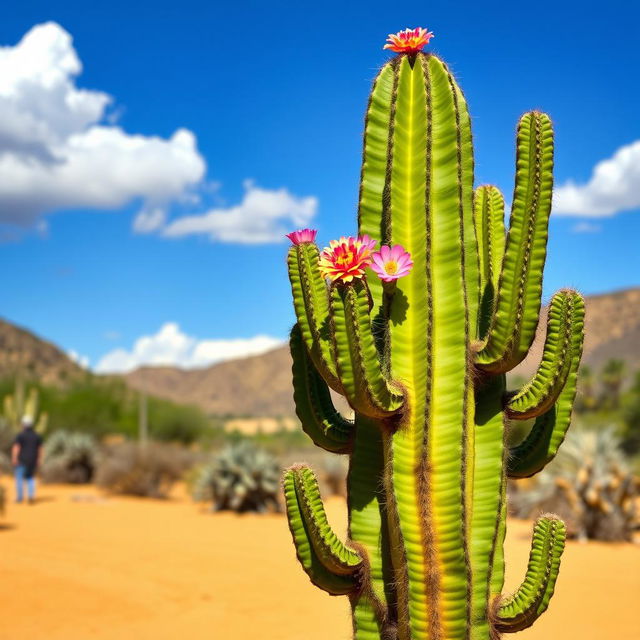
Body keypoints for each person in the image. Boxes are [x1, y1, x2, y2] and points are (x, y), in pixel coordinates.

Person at [11, 415, 43, 504]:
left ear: (23, 424)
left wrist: (14, 458)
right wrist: (39, 459)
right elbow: (40, 449)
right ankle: (30, 496)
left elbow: (16, 447)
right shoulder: (37, 436)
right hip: (32, 460)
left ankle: (20, 498)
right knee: (30, 478)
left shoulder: (20, 435)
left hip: (21, 460)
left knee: (19, 478)